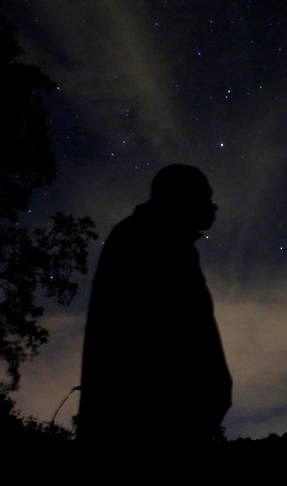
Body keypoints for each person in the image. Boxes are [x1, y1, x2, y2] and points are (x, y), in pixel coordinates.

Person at [77, 164, 232, 444]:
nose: (213, 208)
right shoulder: (157, 240)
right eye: (206, 198)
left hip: (144, 416)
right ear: (183, 197)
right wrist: (210, 394)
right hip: (154, 420)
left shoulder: (145, 235)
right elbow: (182, 326)